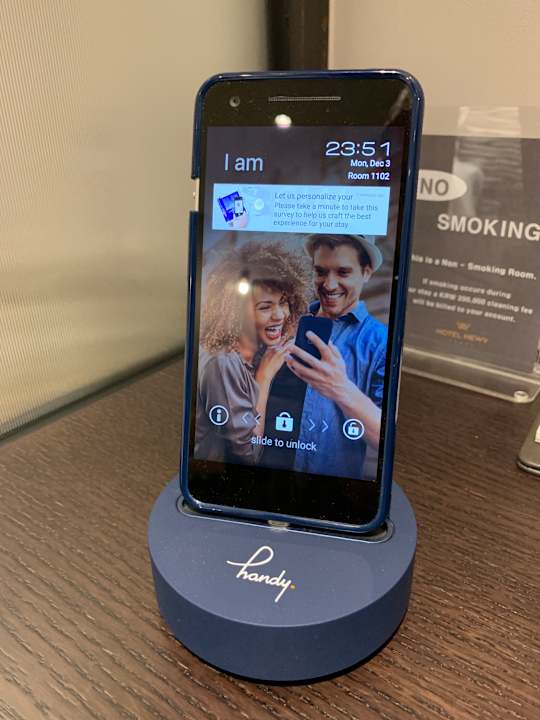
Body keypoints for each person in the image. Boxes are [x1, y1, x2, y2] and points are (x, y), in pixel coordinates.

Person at [195, 240, 310, 464]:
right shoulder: (223, 363)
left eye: (284, 302)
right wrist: (264, 378)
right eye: (265, 307)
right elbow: (248, 455)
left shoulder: (258, 353)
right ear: (235, 312)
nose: (280, 315)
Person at [285, 234, 387, 480]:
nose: (329, 285)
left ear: (366, 273)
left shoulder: (380, 342)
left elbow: (385, 439)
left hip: (331, 489)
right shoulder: (286, 321)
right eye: (321, 272)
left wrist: (340, 388)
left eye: (343, 272)